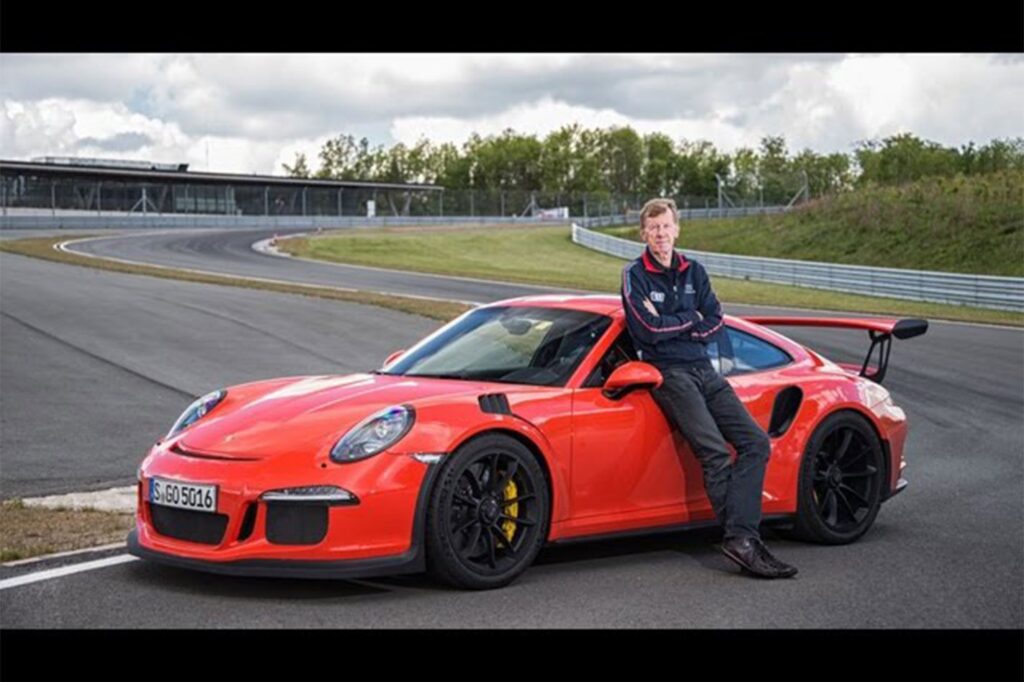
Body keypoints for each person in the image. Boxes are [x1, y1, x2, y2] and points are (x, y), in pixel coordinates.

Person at [620, 197, 798, 579]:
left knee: (755, 442)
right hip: (668, 374)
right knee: (715, 452)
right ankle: (744, 540)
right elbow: (647, 332)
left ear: (677, 229)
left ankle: (740, 536)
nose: (660, 235)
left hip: (704, 369)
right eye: (653, 228)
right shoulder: (635, 275)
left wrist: (677, 322)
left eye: (666, 226)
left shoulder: (694, 271)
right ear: (643, 234)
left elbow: (715, 320)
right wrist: (691, 318)